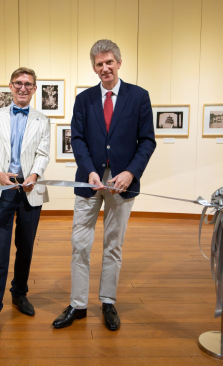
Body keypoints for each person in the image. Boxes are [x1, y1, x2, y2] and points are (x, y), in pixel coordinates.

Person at [52, 39, 156, 331]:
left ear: (119, 63)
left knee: (113, 245)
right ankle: (78, 305)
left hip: (123, 186)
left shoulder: (139, 97)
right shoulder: (84, 99)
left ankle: (108, 301)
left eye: (109, 62)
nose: (105, 68)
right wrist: (88, 171)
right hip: (89, 184)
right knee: (79, 245)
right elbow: (78, 139)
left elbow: (147, 140)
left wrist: (130, 173)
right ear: (94, 68)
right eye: (99, 64)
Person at [0, 67, 51, 339]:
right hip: (2, 189)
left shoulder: (42, 119)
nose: (23, 88)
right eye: (19, 83)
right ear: (10, 86)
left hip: (30, 190)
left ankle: (19, 294)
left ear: (35, 89)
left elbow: (43, 152)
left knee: (26, 248)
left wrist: (35, 174)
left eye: (29, 85)